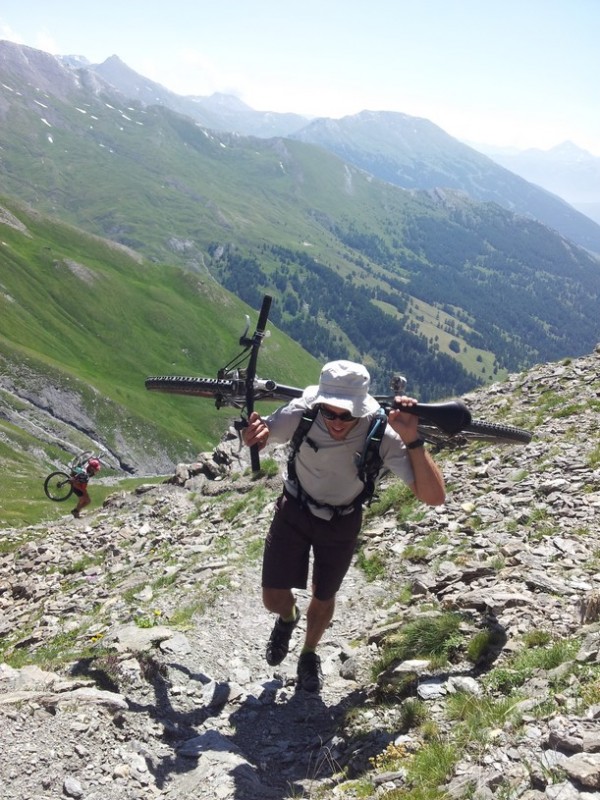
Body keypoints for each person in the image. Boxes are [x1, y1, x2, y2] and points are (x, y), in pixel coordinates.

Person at [243, 360, 445, 692]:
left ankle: (309, 653)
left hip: (342, 521)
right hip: (294, 507)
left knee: (324, 595)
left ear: (362, 409)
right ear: (318, 402)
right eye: (329, 412)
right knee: (272, 597)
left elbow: (434, 497)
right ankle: (288, 617)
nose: (337, 421)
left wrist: (413, 441)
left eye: (347, 415)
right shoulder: (302, 412)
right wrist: (255, 435)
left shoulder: (384, 434)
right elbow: (263, 433)